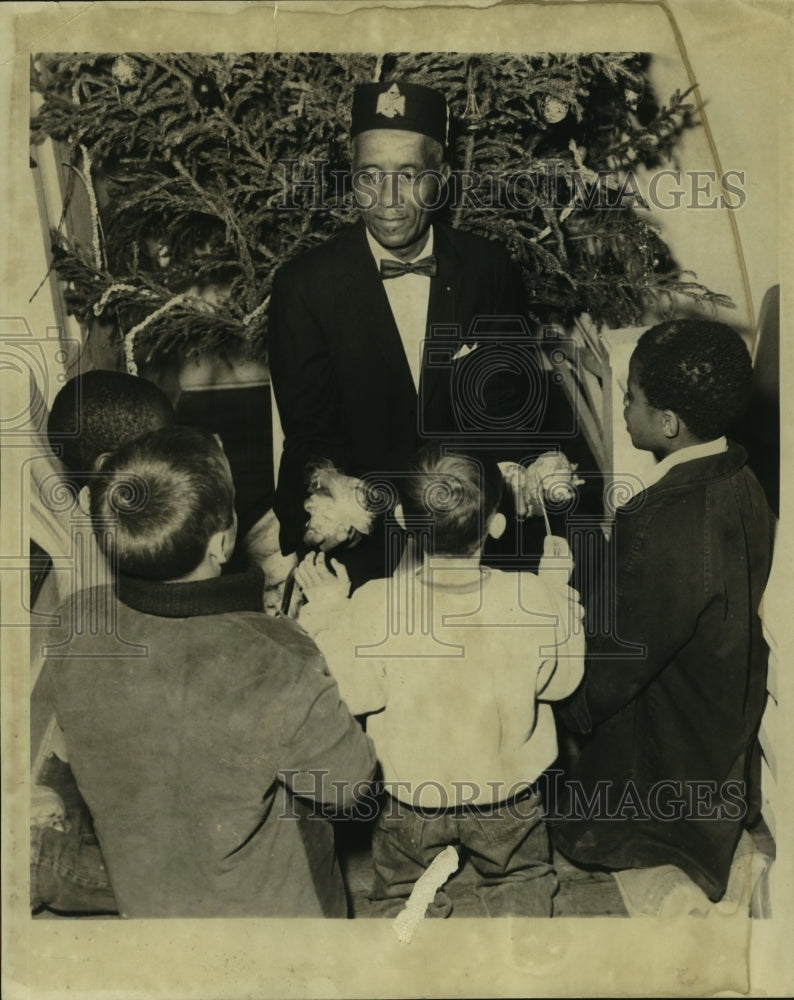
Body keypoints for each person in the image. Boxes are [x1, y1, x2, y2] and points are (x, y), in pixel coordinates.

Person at [32, 426, 377, 917]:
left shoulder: (73, 622)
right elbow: (351, 784)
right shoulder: (275, 658)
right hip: (277, 925)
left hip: (148, 905)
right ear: (222, 542)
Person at [269, 80, 572, 585]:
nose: (387, 199)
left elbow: (511, 405)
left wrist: (528, 475)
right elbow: (309, 432)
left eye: (409, 175)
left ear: (442, 178)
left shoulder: (488, 268)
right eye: (369, 175)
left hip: (473, 528)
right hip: (369, 529)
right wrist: (345, 500)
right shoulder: (305, 286)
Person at [294, 446, 584, 917]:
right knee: (520, 878)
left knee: (405, 894)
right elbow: (561, 682)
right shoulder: (528, 596)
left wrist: (329, 610)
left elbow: (355, 693)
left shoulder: (374, 602)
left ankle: (416, 970)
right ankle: (523, 965)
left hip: (412, 799)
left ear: (404, 520)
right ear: (496, 524)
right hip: (506, 797)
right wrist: (556, 594)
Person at [553, 320, 775, 903]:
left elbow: (618, 666)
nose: (623, 408)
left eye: (630, 399)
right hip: (719, 705)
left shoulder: (664, 520)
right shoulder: (742, 475)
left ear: (668, 424)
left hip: (671, 750)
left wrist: (563, 698)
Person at [31, 370, 177, 915]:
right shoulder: (106, 541)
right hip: (119, 735)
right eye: (157, 449)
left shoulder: (103, 510)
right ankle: (53, 870)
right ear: (105, 467)